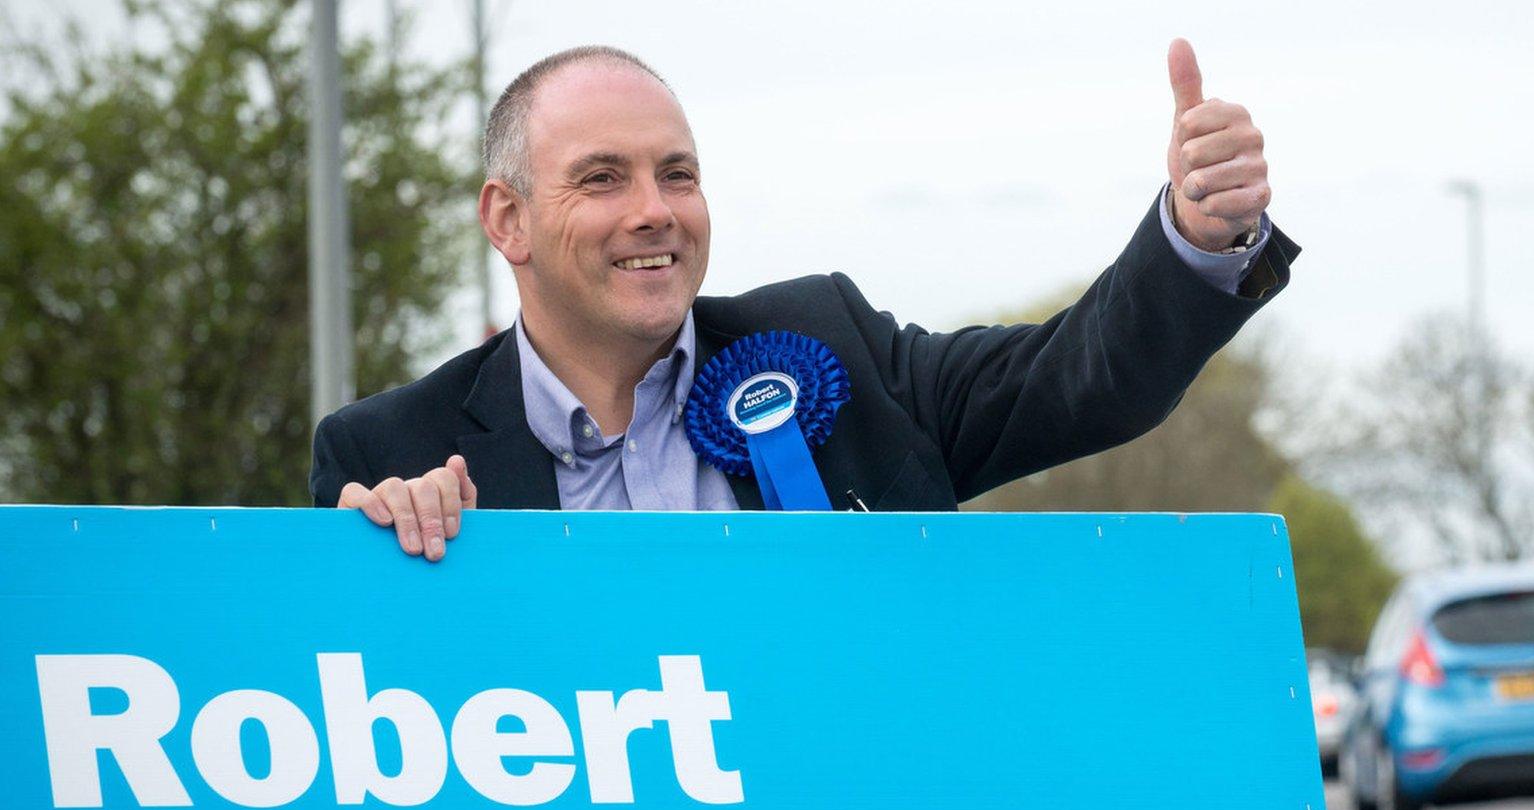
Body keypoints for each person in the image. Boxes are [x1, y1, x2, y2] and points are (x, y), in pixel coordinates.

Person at [311, 39, 1297, 560]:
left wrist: (1196, 236)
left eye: (678, 174)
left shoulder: (829, 349)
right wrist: (376, 563)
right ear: (507, 219)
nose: (654, 212)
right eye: (603, 178)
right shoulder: (389, 452)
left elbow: (1085, 382)